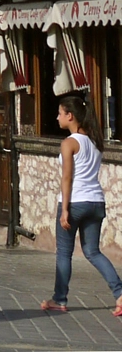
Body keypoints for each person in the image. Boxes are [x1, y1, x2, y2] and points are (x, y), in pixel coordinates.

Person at [42, 93, 122, 315]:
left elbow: (67, 177)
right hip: (96, 202)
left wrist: (64, 209)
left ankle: (59, 299)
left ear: (70, 115)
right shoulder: (95, 142)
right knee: (93, 251)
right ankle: (120, 293)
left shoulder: (69, 143)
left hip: (75, 201)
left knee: (64, 254)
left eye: (60, 113)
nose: (57, 117)